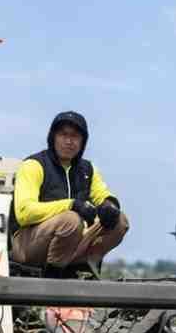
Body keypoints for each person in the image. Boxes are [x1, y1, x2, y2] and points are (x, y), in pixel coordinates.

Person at [10, 111, 129, 274]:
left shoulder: (88, 169)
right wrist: (71, 205)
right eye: (63, 134)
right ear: (53, 137)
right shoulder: (33, 165)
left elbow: (103, 195)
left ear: (83, 142)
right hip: (27, 244)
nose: (68, 141)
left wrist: (109, 206)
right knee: (71, 220)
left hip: (71, 244)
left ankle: (83, 265)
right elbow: (24, 213)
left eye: (75, 136)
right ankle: (54, 273)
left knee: (119, 220)